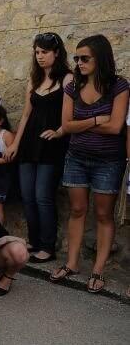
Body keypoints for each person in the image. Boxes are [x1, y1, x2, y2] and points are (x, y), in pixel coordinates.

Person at [51, 35, 129, 293]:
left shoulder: (118, 86)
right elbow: (67, 125)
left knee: (104, 214)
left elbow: (116, 126)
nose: (79, 63)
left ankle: (97, 270)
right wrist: (97, 120)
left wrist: (80, 125)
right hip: (77, 157)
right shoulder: (73, 86)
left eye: (85, 58)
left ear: (100, 58)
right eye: (76, 58)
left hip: (109, 161)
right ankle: (72, 263)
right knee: (77, 210)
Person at [4, 33, 73, 263]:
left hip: (52, 145)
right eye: (37, 52)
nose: (40, 56)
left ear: (56, 53)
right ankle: (33, 241)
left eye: (44, 52)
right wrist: (15, 142)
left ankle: (47, 246)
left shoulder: (67, 79)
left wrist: (60, 131)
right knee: (27, 195)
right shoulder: (33, 79)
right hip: (29, 143)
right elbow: (25, 115)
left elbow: (70, 114)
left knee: (43, 195)